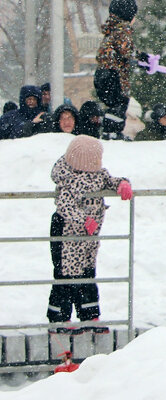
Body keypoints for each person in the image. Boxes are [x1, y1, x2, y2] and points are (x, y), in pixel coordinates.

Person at [46, 136, 133, 327]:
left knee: (87, 272)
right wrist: (84, 220)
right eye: (97, 159)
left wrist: (121, 184)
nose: (100, 162)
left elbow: (108, 180)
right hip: (67, 234)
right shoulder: (70, 180)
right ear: (87, 161)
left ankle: (89, 314)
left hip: (88, 237)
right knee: (66, 275)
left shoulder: (96, 174)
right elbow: (65, 205)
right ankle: (59, 317)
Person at [93, 0, 140, 136]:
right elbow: (126, 50)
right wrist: (140, 57)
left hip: (102, 73)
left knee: (112, 104)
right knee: (120, 104)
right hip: (114, 75)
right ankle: (113, 132)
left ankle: (109, 130)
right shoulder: (123, 29)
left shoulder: (111, 29)